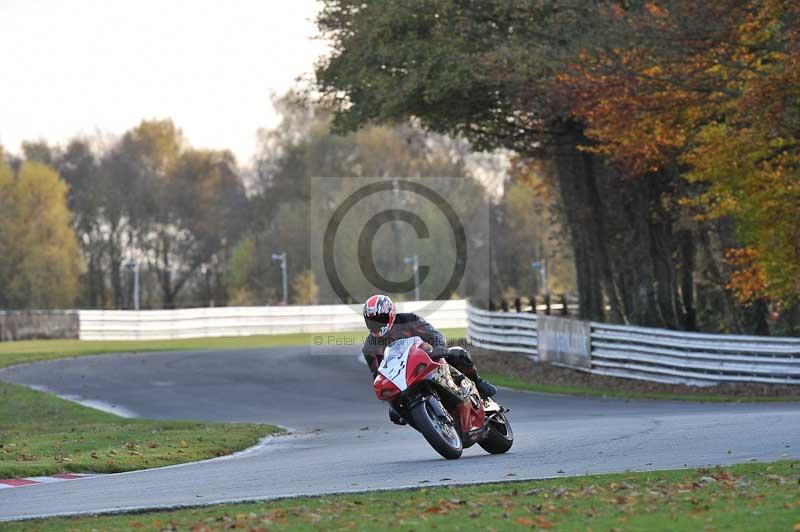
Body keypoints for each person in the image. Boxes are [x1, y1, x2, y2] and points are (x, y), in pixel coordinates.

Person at [361, 294, 497, 424]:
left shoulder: (409, 320)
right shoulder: (369, 347)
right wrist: (392, 402)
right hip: (403, 379)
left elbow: (433, 334)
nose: (377, 323)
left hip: (428, 359)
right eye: (372, 321)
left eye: (380, 318)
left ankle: (478, 383)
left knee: (458, 354)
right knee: (396, 411)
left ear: (390, 314)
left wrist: (438, 347)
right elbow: (378, 375)